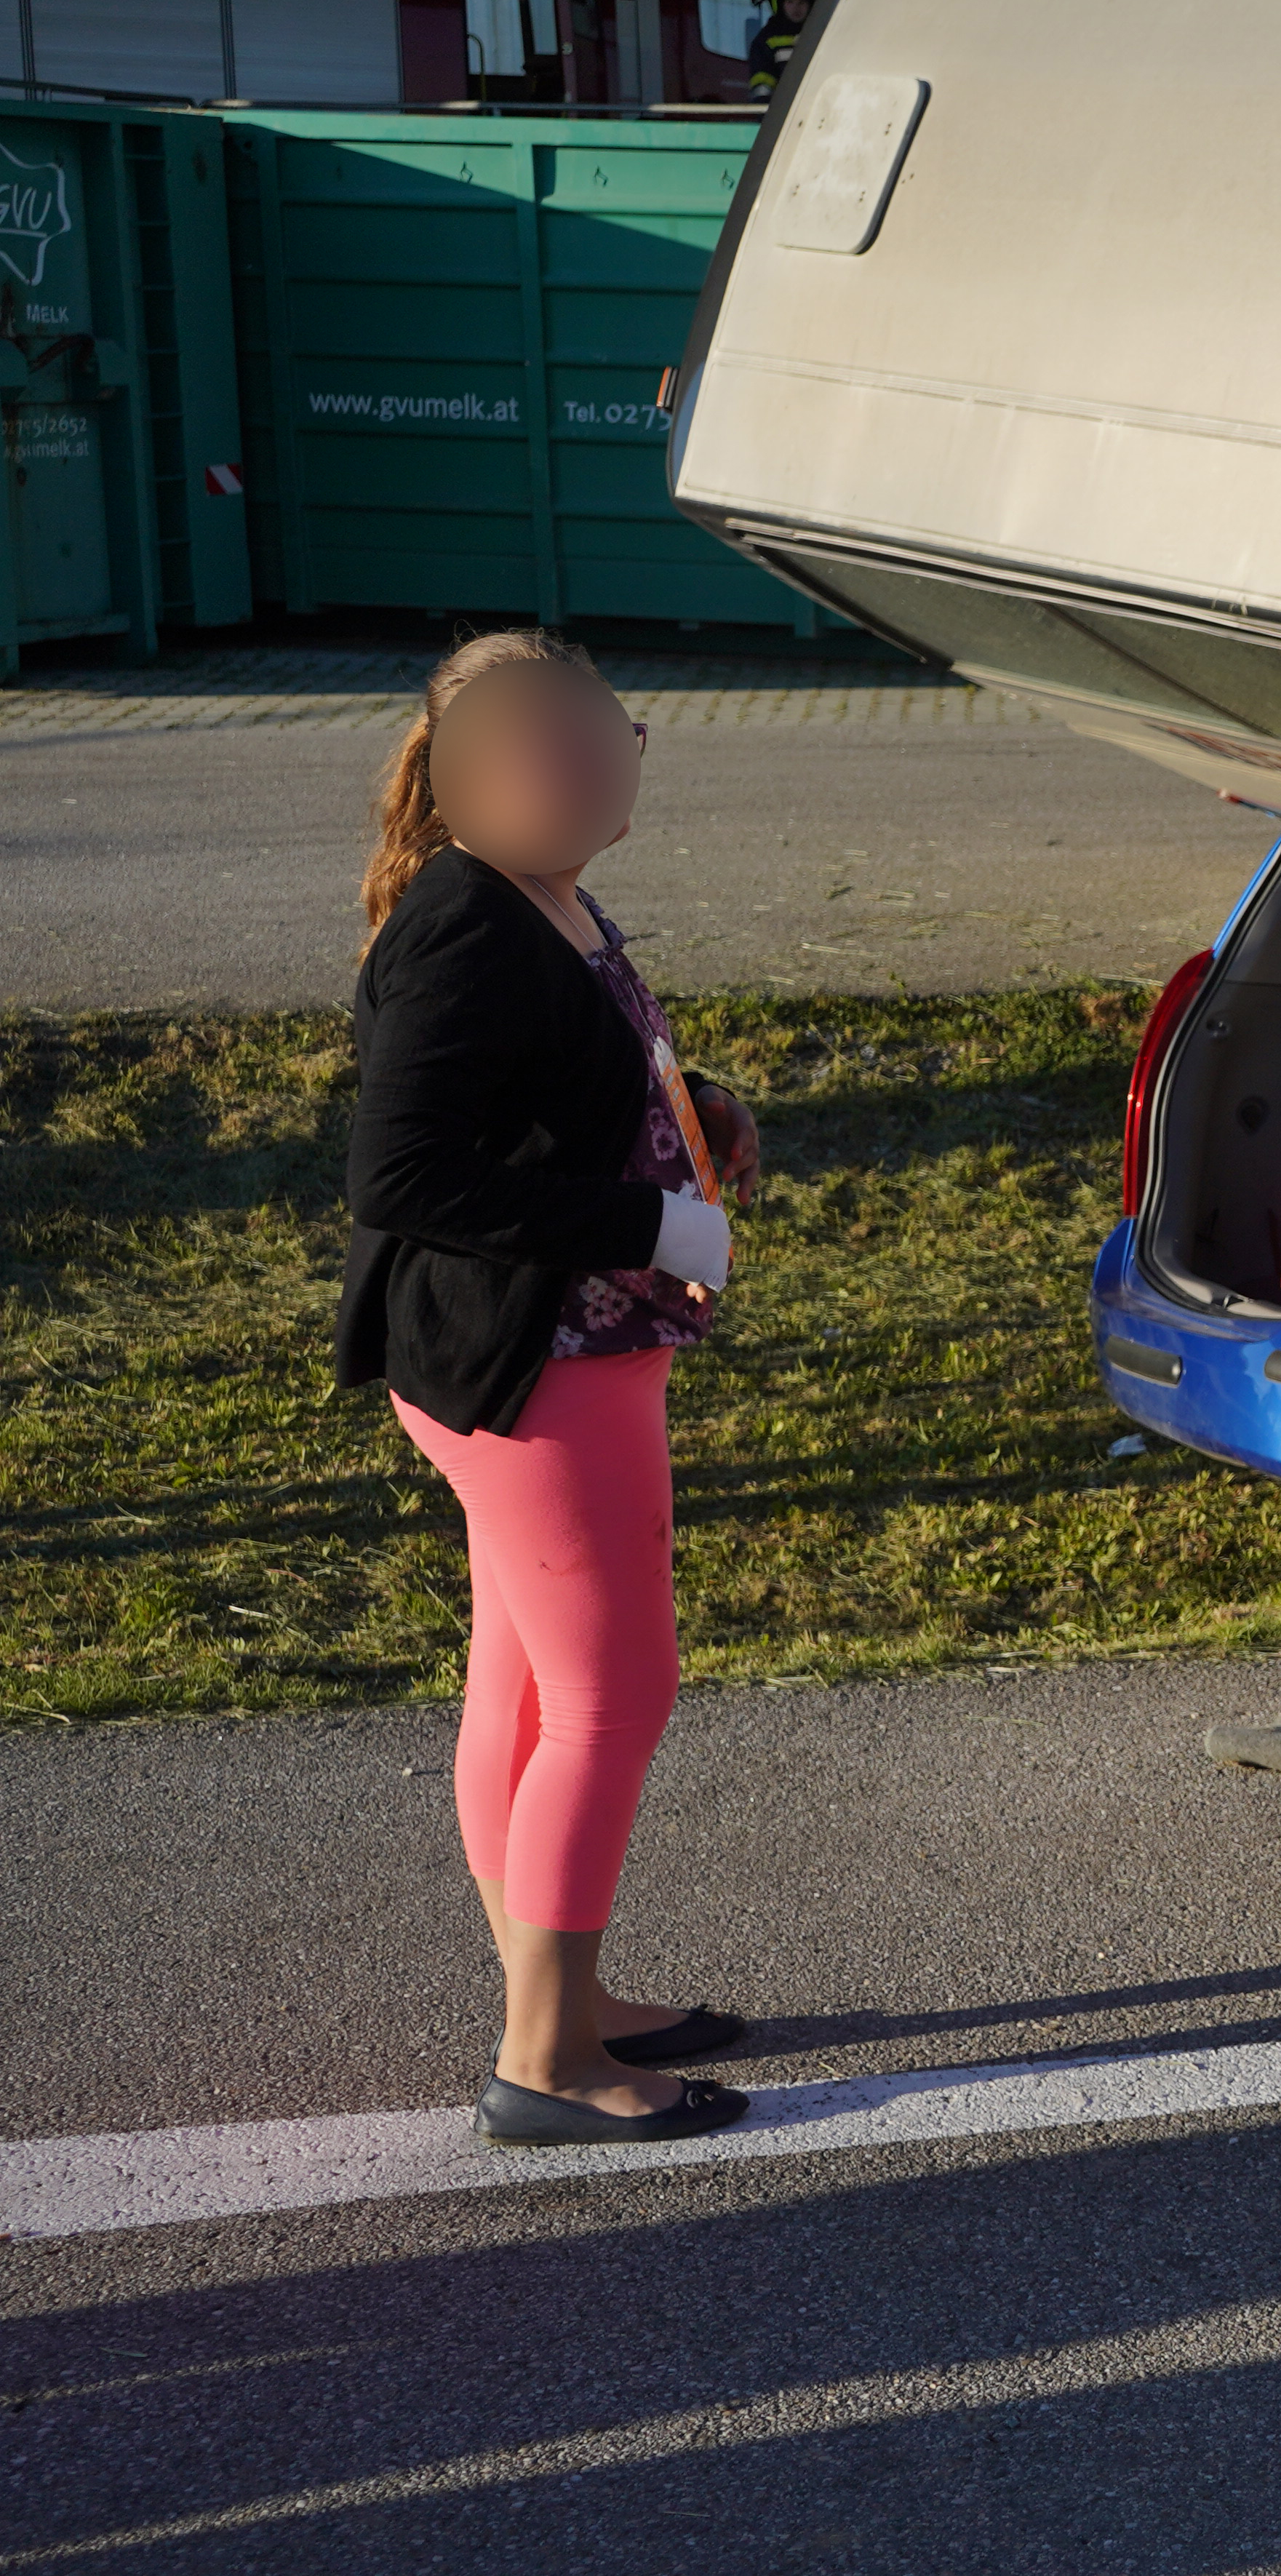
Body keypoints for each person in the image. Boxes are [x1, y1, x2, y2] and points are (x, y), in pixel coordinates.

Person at [340, 630, 762, 2149]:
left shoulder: (545, 893)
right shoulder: (463, 921)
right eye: (551, 746)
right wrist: (649, 1219)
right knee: (611, 1689)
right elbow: (404, 1173)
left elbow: (554, 1086)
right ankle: (547, 2056)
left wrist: (690, 1114)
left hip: (562, 1353)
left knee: (523, 1683)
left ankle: (562, 1993)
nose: (592, 767)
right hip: (535, 1366)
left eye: (606, 738)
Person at [744, 0, 821, 101]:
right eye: (790, 2)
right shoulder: (767, 40)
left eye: (802, 2)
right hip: (782, 111)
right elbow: (763, 79)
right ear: (780, 4)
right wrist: (764, 107)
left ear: (812, 5)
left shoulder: (822, 34)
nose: (796, 8)